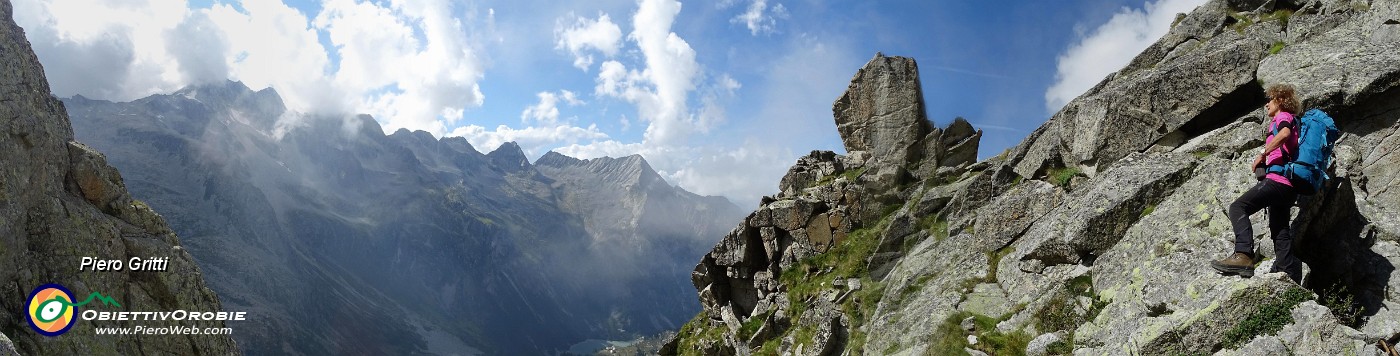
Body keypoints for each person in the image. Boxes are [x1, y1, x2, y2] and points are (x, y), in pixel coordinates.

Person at [1211, 84, 1303, 282]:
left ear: (1279, 101)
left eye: (1269, 100)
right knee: (1279, 229)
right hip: (1288, 187)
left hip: (1278, 182)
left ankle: (1243, 255)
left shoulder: (1283, 117)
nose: (1267, 104)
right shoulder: (1289, 120)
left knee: (1238, 207)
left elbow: (1284, 134)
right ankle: (1289, 275)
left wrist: (1263, 153)